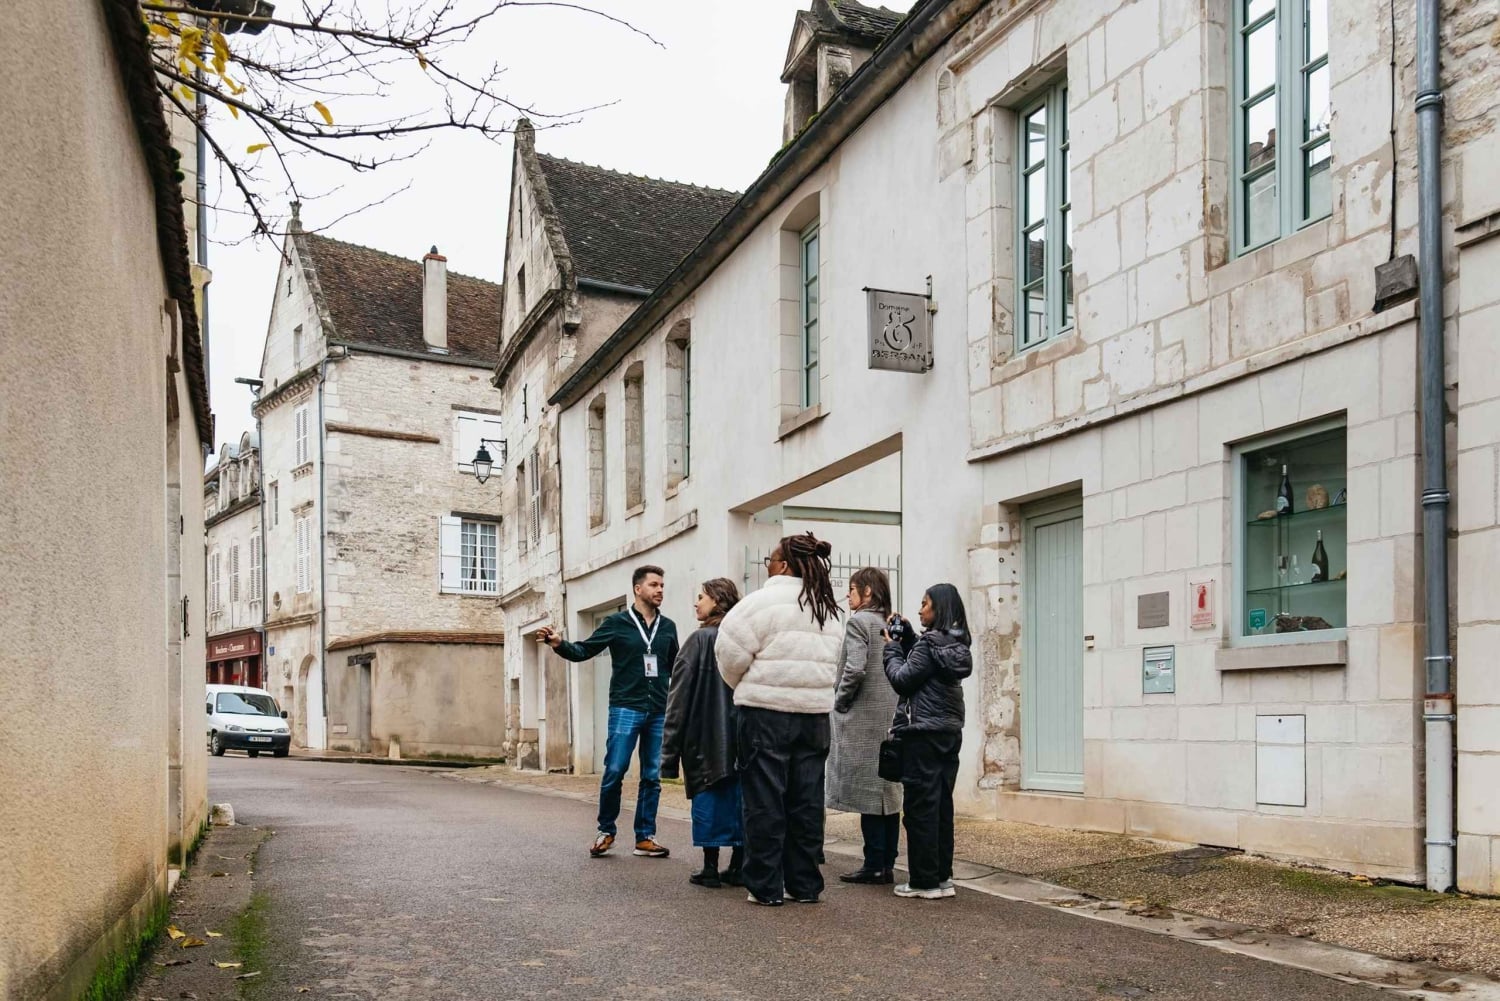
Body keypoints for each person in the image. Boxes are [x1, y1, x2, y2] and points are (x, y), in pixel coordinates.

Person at [716, 533, 843, 906]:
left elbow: (729, 656)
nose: (767, 567)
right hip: (814, 715)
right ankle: (805, 884)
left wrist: (746, 685)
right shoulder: (827, 609)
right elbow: (835, 663)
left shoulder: (758, 604)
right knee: (807, 802)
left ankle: (765, 885)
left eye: (770, 561)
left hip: (765, 712)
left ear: (783, 565)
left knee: (764, 799)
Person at [538, 565, 678, 859]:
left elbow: (675, 667)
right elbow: (584, 650)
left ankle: (645, 837)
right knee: (615, 769)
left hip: (658, 710)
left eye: (662, 586)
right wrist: (559, 644)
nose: (660, 590)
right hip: (626, 707)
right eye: (654, 585)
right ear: (638, 589)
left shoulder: (668, 627)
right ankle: (606, 831)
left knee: (652, 776)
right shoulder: (617, 623)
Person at [882, 583, 972, 900]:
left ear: (938, 608)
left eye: (925, 604)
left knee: (920, 808)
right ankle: (941, 877)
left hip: (921, 735)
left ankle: (923, 882)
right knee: (941, 806)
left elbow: (902, 679)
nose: (920, 610)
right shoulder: (955, 645)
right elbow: (926, 666)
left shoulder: (929, 645)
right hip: (948, 733)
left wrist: (892, 648)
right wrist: (909, 637)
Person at [661, 578, 745, 889]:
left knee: (709, 800)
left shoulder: (698, 640)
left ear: (717, 601)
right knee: (740, 801)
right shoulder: (742, 639)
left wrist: (669, 754)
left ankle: (710, 867)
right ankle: (738, 866)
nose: (696, 603)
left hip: (704, 739)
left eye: (702, 597)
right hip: (742, 736)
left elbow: (678, 699)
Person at [826, 567, 903, 885]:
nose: (848, 595)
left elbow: (855, 669)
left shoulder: (858, 622)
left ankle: (873, 864)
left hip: (862, 720)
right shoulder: (892, 622)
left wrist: (840, 702)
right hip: (889, 717)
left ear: (867, 591)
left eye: (853, 589)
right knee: (888, 792)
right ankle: (886, 863)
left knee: (869, 794)